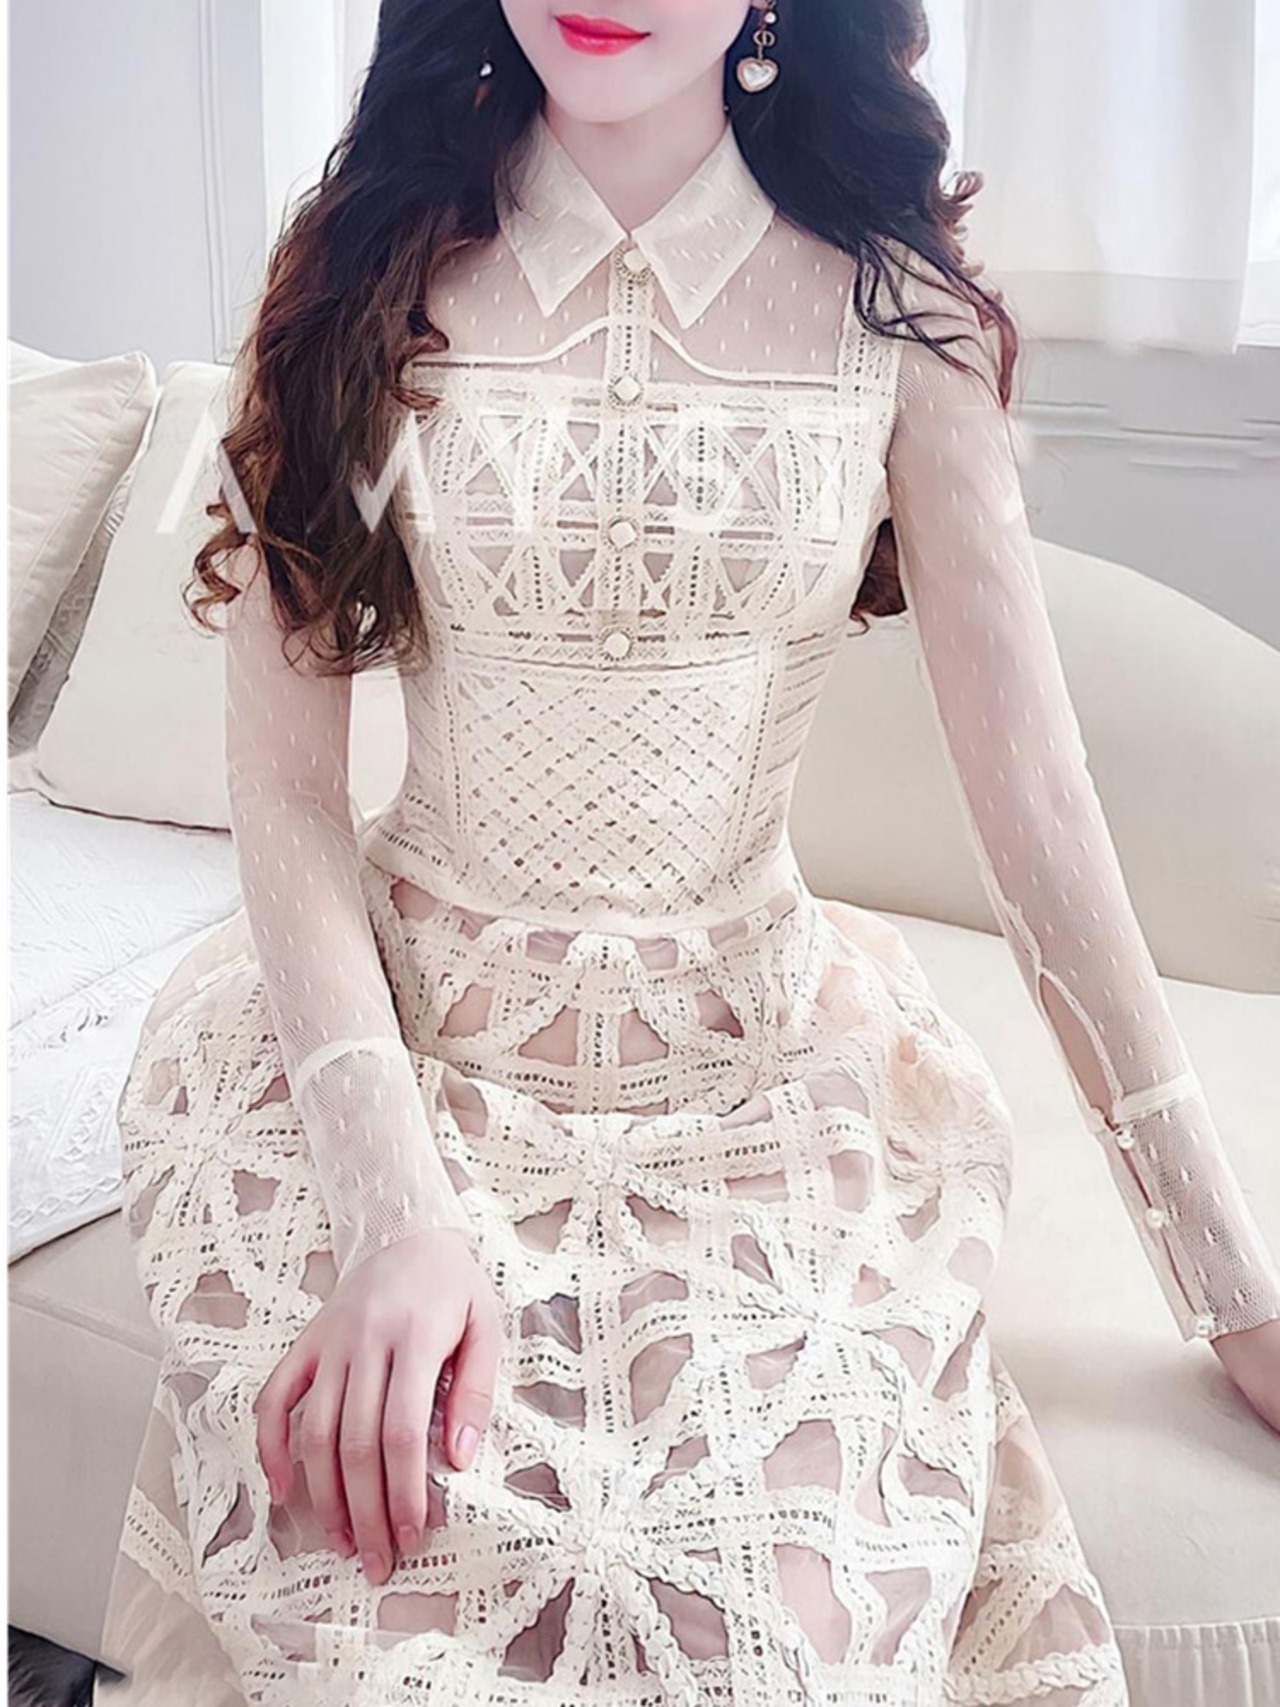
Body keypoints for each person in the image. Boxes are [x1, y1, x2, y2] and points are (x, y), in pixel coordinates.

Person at [96, 2, 1280, 1703]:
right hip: (408, 1059)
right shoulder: (365, 276)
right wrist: (393, 1219)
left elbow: (1039, 818)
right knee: (394, 1605)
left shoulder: (898, 323)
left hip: (758, 1088)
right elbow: (286, 794)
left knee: (759, 1639)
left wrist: (1234, 1292)